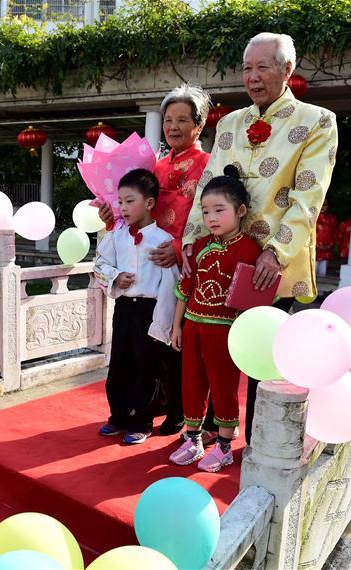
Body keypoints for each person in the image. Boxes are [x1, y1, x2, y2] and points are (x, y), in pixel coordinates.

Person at [182, 32, 339, 443]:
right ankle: (214, 435)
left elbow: (308, 197)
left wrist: (275, 252)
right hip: (220, 260)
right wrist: (189, 242)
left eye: (262, 67)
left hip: (272, 268)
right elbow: (207, 188)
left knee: (264, 355)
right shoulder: (232, 123)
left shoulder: (317, 122)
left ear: (287, 70)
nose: (252, 77)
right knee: (213, 350)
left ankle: (261, 446)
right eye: (247, 68)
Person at [98, 84, 219, 437]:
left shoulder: (209, 166)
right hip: (150, 265)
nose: (174, 126)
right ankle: (152, 409)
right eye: (168, 120)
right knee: (147, 350)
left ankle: (183, 414)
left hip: (188, 265)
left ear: (199, 125)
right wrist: (112, 216)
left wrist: (181, 247)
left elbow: (213, 218)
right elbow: (133, 213)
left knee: (177, 346)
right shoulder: (156, 166)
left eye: (183, 119)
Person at [169, 167, 262, 471]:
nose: (211, 218)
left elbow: (251, 299)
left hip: (225, 331)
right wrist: (176, 326)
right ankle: (193, 438)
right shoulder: (199, 246)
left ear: (241, 211)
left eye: (219, 210)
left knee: (223, 386)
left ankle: (224, 446)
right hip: (194, 326)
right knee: (191, 383)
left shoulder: (250, 249)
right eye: (206, 211)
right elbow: (186, 288)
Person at [94, 169, 180, 445]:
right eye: (120, 201)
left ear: (150, 203)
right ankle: (118, 415)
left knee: (149, 367)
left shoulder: (163, 241)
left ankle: (142, 420)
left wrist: (165, 321)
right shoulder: (117, 236)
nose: (123, 207)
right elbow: (99, 264)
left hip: (151, 310)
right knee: (120, 362)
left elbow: (171, 282)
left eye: (130, 201)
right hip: (124, 308)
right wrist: (115, 276)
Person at [315, 199, 338, 276]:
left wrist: (329, 246)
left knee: (323, 273)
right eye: (321, 204)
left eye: (324, 205)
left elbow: (335, 233)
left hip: (326, 250)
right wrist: (317, 245)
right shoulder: (313, 218)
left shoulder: (332, 219)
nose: (322, 207)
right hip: (314, 249)